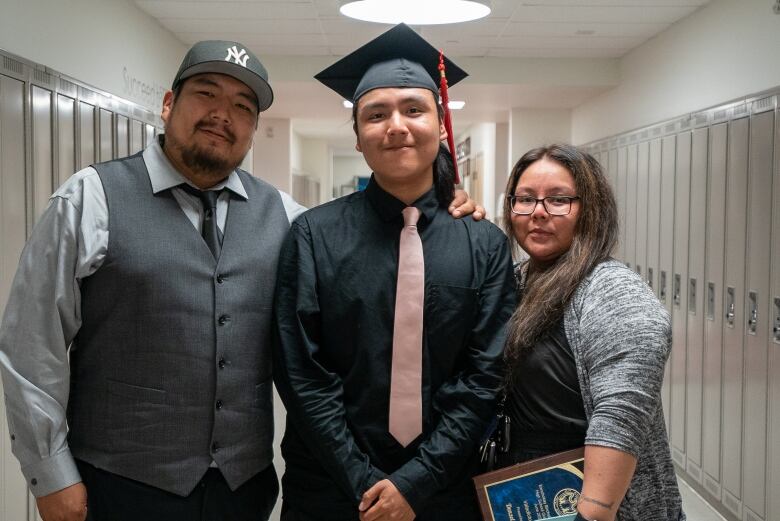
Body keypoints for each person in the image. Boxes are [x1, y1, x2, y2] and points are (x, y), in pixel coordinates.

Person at [0, 39, 483, 521]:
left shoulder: (290, 220)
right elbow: (31, 346)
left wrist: (445, 209)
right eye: (206, 95)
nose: (221, 114)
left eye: (241, 106)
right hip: (121, 485)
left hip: (242, 489)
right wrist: (50, 471)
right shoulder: (91, 198)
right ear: (168, 105)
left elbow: (372, 245)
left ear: (253, 127)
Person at [272, 24, 516, 521]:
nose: (396, 126)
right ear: (359, 138)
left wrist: (415, 482)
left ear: (439, 125)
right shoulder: (312, 236)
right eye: (376, 115)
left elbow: (484, 376)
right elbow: (302, 374)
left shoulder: (484, 244)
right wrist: (365, 482)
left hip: (444, 488)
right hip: (331, 488)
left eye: (413, 109)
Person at [498, 144, 685, 521]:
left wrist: (593, 512)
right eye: (525, 199)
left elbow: (620, 415)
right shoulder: (518, 280)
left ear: (591, 210)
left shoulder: (613, 291)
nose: (538, 212)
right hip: (530, 493)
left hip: (593, 503)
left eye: (559, 199)